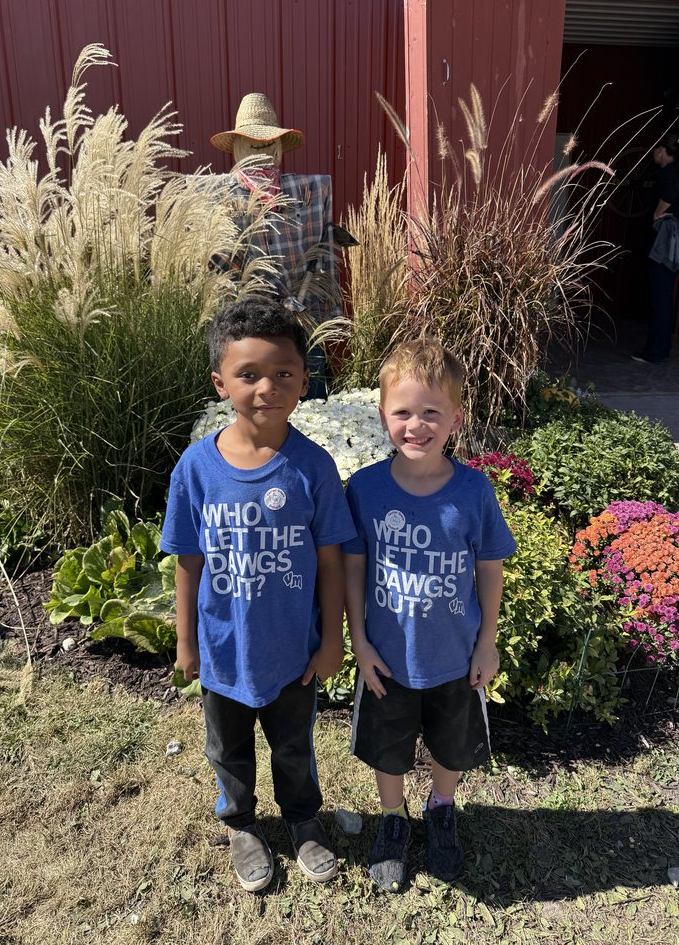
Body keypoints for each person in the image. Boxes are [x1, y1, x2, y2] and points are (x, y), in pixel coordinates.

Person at [159, 297, 356, 892]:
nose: (267, 387)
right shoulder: (195, 470)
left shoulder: (313, 467)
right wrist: (186, 640)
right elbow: (187, 562)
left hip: (293, 652)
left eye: (283, 373)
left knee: (294, 747)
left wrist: (332, 642)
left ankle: (302, 819)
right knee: (229, 750)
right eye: (249, 375)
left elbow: (330, 563)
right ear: (221, 383)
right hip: (222, 653)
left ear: (304, 380)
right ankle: (241, 823)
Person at [342, 339, 516, 891]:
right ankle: (393, 819)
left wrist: (487, 642)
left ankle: (441, 806)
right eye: (403, 412)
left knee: (452, 745)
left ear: (456, 418)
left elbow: (490, 567)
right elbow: (351, 569)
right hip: (387, 661)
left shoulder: (473, 491)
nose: (416, 425)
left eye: (431, 412)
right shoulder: (364, 489)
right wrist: (360, 642)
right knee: (388, 750)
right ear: (382, 415)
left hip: (455, 659)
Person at [210, 93, 342, 398]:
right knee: (257, 396)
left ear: (279, 144)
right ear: (238, 146)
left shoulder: (305, 192)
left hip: (299, 311)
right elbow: (216, 266)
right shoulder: (222, 198)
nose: (262, 145)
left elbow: (319, 252)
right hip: (246, 323)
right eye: (252, 139)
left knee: (306, 392)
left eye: (269, 139)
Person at [632, 132, 679, 365]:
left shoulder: (667, 174)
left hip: (664, 247)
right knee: (664, 298)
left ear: (662, 151)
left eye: (655, 150)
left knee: (660, 299)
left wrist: (658, 214)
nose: (653, 153)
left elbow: (669, 196)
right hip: (677, 243)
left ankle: (655, 352)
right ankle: (662, 347)